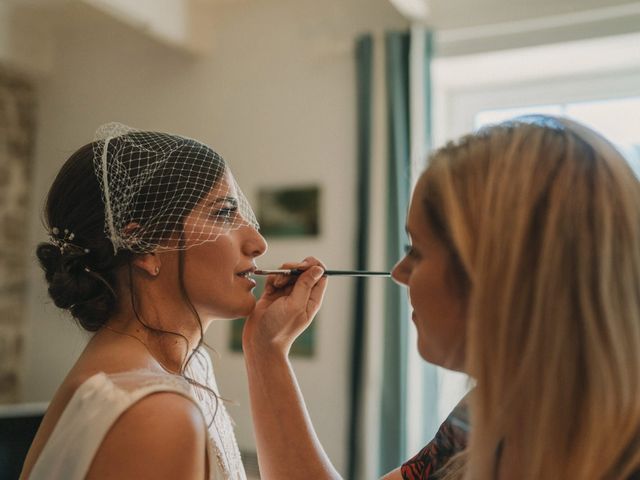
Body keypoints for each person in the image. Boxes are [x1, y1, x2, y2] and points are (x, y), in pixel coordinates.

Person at [242, 115, 640, 480]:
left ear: (497, 269)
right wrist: (266, 348)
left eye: (418, 250)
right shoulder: (490, 412)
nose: (399, 273)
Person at [20, 123, 327, 480]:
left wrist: (268, 347)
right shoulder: (153, 411)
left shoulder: (183, 371)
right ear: (145, 246)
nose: (258, 242)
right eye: (225, 213)